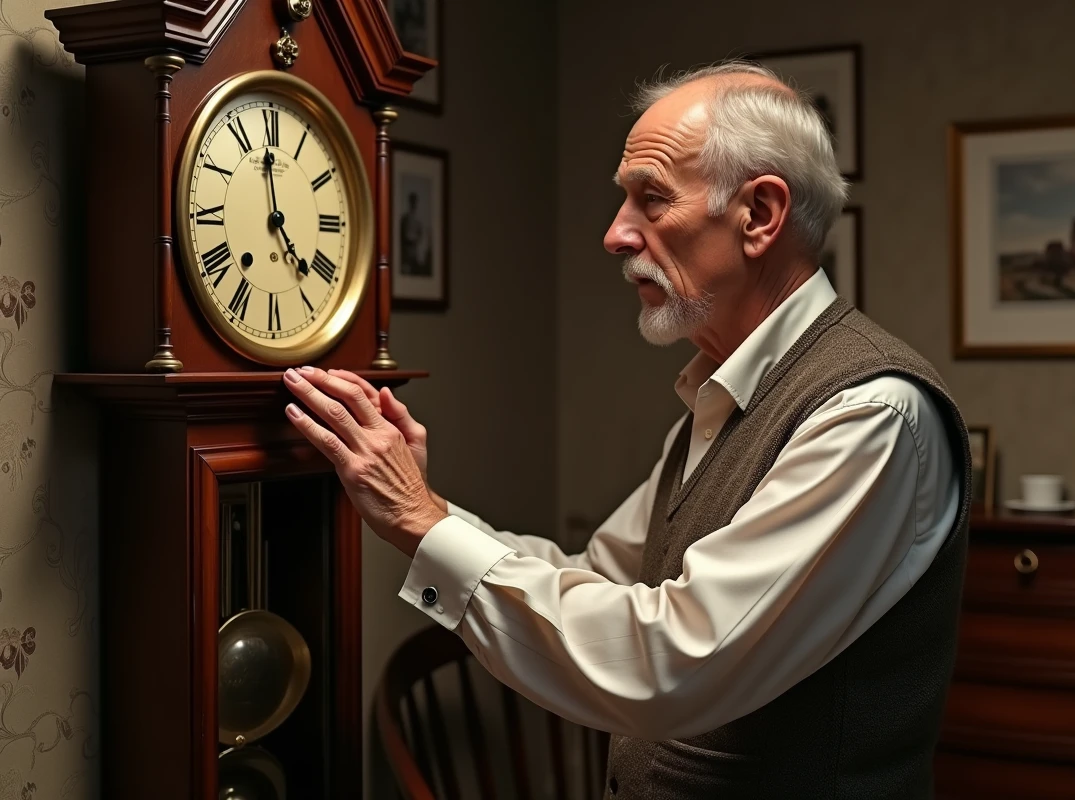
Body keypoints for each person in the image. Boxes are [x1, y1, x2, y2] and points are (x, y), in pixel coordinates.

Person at [282, 60, 972, 799]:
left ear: (760, 215)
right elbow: (598, 575)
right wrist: (424, 508)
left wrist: (421, 522)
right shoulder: (722, 398)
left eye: (652, 199)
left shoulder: (868, 415)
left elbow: (670, 661)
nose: (615, 235)